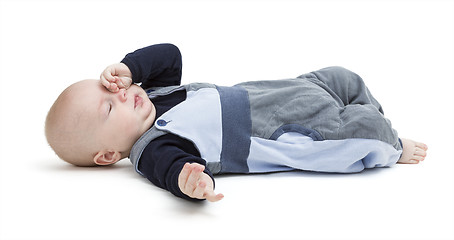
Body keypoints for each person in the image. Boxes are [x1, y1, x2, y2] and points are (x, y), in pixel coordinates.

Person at [45, 43, 428, 202]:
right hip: (275, 132)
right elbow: (173, 170)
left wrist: (129, 67)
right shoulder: (151, 149)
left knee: (341, 76)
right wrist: (191, 182)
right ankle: (391, 145)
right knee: (358, 131)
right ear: (108, 154)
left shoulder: (153, 95)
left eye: (114, 89)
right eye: (110, 109)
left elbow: (169, 55)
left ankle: (372, 113)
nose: (124, 95)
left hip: (278, 90)